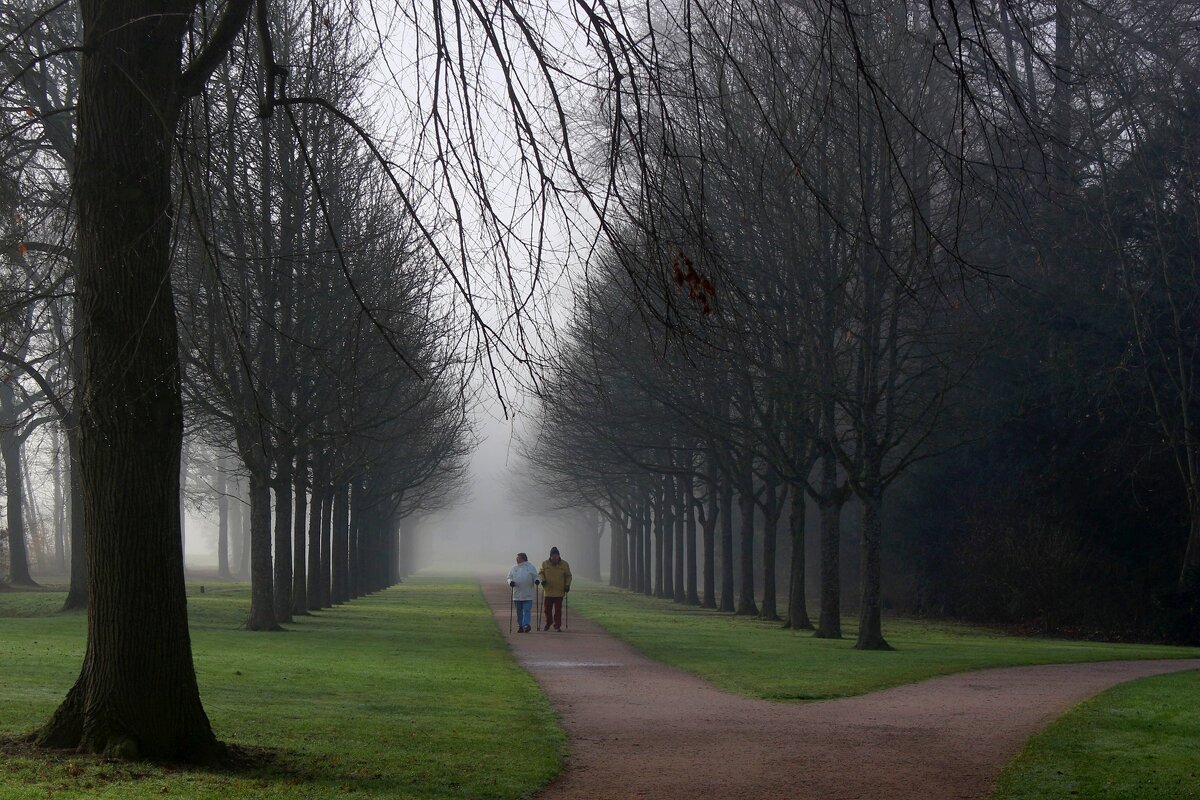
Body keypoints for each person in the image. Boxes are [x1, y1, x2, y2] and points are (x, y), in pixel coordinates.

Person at [538, 546, 572, 631]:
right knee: (547, 610)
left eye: (556, 556)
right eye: (553, 557)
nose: (554, 559)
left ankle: (557, 626)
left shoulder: (564, 564)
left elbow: (568, 576)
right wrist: (543, 580)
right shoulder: (544, 563)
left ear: (559, 556)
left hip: (559, 591)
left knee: (558, 610)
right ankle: (548, 622)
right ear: (550, 556)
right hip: (548, 591)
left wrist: (567, 585)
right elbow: (541, 573)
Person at [507, 552, 538, 633]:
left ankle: (526, 625)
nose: (516, 559)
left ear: (523, 558)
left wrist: (537, 581)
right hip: (517, 594)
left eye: (518, 558)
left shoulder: (530, 567)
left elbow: (536, 576)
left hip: (528, 594)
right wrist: (510, 582)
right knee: (519, 611)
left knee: (527, 610)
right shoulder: (514, 568)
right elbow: (509, 577)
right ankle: (521, 626)